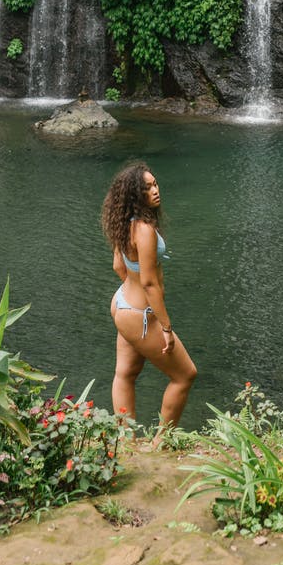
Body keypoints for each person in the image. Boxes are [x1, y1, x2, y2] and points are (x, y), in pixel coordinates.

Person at [101, 162, 197, 432]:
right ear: (134, 195)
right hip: (141, 316)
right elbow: (149, 282)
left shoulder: (124, 224)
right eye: (147, 188)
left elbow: (118, 267)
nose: (156, 190)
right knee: (185, 375)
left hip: (122, 305)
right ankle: (161, 442)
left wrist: (131, 299)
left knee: (125, 374)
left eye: (155, 184)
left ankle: (127, 442)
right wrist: (165, 327)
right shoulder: (143, 230)